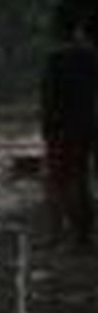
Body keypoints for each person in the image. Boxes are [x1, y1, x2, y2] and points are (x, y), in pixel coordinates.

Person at [40, 13, 98, 247]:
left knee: (57, 181)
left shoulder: (55, 58)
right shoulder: (91, 56)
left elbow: (49, 98)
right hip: (88, 126)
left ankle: (62, 235)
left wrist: (47, 127)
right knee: (81, 179)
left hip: (61, 128)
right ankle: (82, 235)